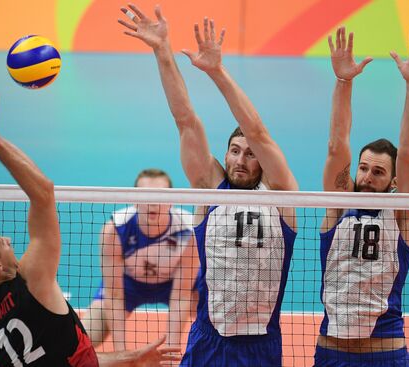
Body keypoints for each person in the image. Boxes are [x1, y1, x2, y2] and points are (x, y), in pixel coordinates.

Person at [118, 5, 298, 366]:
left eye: (250, 154)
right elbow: (185, 119)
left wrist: (217, 71)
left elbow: (258, 131)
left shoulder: (281, 195)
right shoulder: (209, 188)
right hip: (208, 340)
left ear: (262, 161)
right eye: (234, 151)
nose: (240, 160)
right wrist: (162, 50)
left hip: (261, 346)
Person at [0, 82, 181, 367]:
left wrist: (133, 358)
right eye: (1, 242)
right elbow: (43, 194)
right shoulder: (32, 280)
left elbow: (69, 359)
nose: (8, 240)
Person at [316, 27, 409, 366]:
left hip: (384, 354)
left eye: (378, 172)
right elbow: (336, 145)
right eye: (363, 168)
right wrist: (344, 82)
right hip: (331, 353)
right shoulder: (338, 207)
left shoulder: (402, 216)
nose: (367, 178)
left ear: (393, 181)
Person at [83, 168, 198, 351]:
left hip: (172, 284)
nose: (153, 203)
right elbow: (114, 294)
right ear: (134, 200)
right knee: (85, 339)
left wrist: (171, 351)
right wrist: (122, 354)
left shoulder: (189, 230)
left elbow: (181, 295)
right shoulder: (115, 229)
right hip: (128, 286)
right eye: (146, 195)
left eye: (160, 196)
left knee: (213, 315)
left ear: (172, 201)